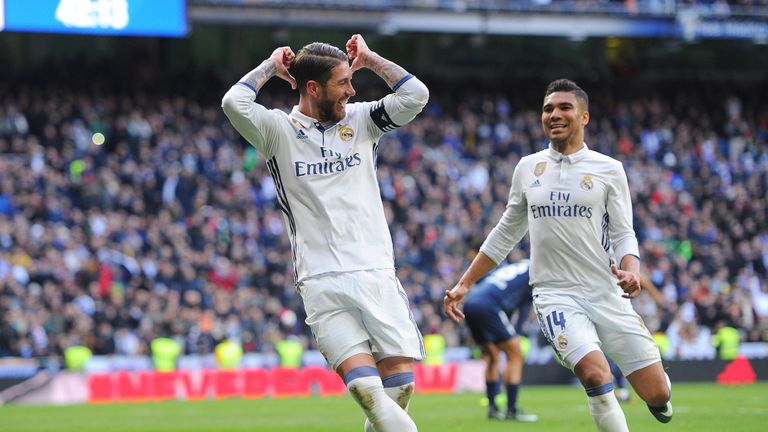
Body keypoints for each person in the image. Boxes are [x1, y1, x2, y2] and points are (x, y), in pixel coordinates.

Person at [222, 34, 429, 432]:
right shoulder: (276, 131)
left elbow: (415, 95)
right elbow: (234, 103)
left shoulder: (362, 121)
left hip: (375, 273)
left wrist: (368, 60)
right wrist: (270, 66)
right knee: (368, 391)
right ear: (312, 87)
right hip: (320, 279)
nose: (352, 91)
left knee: (398, 390)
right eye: (343, 83)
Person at [444, 79, 672, 431]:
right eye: (548, 108)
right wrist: (465, 283)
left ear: (584, 117)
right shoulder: (528, 167)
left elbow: (624, 232)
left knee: (656, 393)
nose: (554, 114)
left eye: (564, 107)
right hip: (555, 295)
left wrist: (631, 270)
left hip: (605, 292)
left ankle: (660, 399)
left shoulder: (609, 169)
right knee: (595, 374)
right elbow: (506, 231)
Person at [462, 259, 538, 422]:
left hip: (470, 302)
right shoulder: (536, 271)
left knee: (492, 357)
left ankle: (493, 409)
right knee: (515, 354)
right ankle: (512, 409)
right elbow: (524, 306)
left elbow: (506, 299)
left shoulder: (520, 265)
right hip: (489, 305)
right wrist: (517, 333)